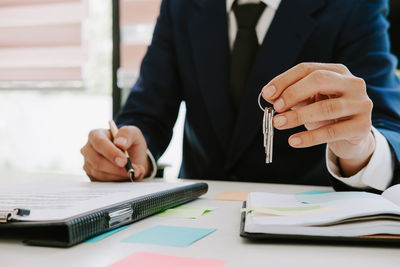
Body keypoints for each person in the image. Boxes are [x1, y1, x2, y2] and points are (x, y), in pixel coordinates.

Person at [81, 0, 400, 192]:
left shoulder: (355, 5)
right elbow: (147, 112)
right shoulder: (181, 4)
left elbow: (387, 125)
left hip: (306, 225)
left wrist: (360, 148)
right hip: (197, 217)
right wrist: (130, 148)